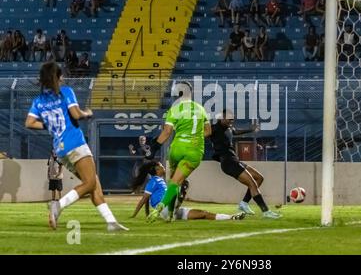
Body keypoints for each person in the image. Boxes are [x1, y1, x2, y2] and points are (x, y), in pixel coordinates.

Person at [25, 61, 128, 232]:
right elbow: (76, 114)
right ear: (57, 77)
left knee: (94, 184)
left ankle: (111, 222)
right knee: (89, 183)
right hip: (75, 143)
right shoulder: (65, 92)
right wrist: (88, 113)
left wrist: (50, 125)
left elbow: (29, 122)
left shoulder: (39, 101)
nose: (63, 78)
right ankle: (58, 206)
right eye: (61, 75)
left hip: (60, 150)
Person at [147, 81, 211, 222]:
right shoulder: (201, 108)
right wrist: (195, 137)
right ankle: (163, 209)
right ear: (191, 93)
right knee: (177, 182)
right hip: (194, 151)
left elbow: (167, 132)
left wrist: (154, 148)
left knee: (173, 182)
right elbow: (208, 131)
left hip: (177, 148)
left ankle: (169, 213)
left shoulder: (175, 109)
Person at [209, 109, 280, 219]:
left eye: (232, 119)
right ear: (221, 118)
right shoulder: (214, 128)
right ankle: (266, 212)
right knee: (252, 183)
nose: (231, 121)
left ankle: (244, 203)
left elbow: (236, 131)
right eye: (228, 119)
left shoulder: (229, 128)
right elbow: (204, 133)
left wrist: (251, 129)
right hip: (228, 162)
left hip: (234, 160)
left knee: (259, 178)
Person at [130, 161, 245, 221]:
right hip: (164, 209)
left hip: (171, 211)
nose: (163, 167)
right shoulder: (154, 181)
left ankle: (231, 217)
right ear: (156, 169)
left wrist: (146, 214)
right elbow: (144, 199)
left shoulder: (160, 181)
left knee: (203, 214)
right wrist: (134, 215)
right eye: (161, 166)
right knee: (180, 184)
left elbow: (147, 200)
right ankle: (178, 198)